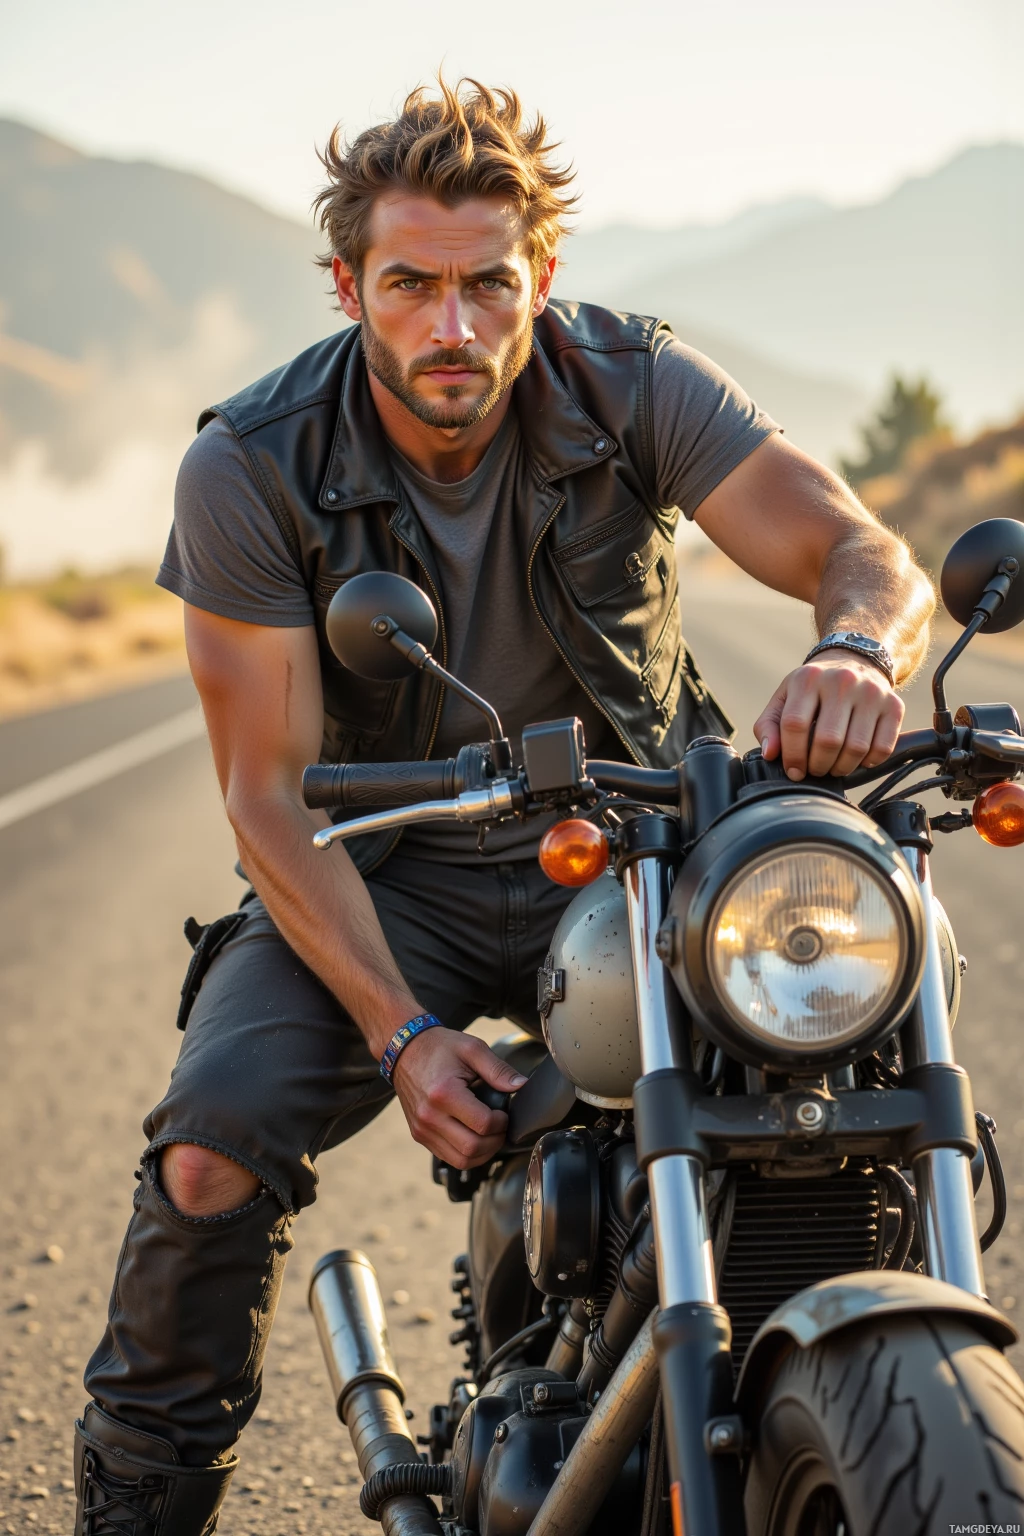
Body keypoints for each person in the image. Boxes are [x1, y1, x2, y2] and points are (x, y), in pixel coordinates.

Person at [73, 77, 935, 1534]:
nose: (452, 326)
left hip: (629, 845)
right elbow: (268, 798)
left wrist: (855, 647)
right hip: (375, 866)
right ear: (349, 284)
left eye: (488, 284)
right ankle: (136, 1510)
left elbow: (860, 549)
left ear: (544, 275)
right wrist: (399, 1034)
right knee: (210, 1149)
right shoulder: (251, 464)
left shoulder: (634, 385)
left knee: (840, 1062)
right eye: (409, 284)